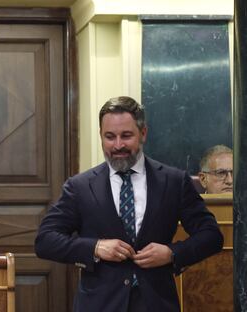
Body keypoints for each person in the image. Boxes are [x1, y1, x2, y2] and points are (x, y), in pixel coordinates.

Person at [35, 96, 223, 312]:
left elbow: (211, 236)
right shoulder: (79, 186)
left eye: (126, 136)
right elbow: (45, 241)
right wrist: (95, 247)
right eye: (109, 137)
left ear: (143, 134)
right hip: (99, 305)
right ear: (101, 136)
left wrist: (172, 253)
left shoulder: (174, 181)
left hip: (157, 304)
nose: (118, 145)